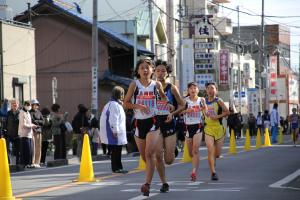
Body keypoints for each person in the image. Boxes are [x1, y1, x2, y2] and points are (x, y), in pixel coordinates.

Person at [123, 58, 171, 196]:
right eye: (142, 68)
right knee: (146, 157)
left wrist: (167, 105)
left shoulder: (156, 85)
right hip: (139, 123)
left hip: (153, 122)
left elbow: (163, 99)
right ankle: (164, 182)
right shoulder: (134, 84)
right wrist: (138, 106)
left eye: (147, 68)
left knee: (150, 154)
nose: (145, 70)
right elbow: (125, 104)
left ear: (152, 71)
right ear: (138, 71)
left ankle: (147, 185)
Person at [153, 60, 184, 191]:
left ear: (167, 73)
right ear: (154, 72)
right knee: (158, 155)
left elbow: (182, 105)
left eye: (163, 71)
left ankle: (174, 149)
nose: (160, 73)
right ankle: (164, 183)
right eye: (158, 70)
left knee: (169, 160)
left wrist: (173, 113)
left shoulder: (172, 87)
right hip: (155, 124)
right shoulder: (150, 86)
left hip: (169, 122)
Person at [180, 82, 206, 182]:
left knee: (195, 150)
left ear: (198, 90)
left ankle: (194, 172)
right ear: (188, 90)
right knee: (191, 153)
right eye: (191, 88)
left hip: (198, 126)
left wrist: (204, 109)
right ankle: (194, 161)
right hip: (187, 127)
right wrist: (187, 111)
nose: (193, 90)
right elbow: (180, 112)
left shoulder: (201, 100)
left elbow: (205, 111)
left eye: (195, 88)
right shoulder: (185, 101)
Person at [204, 82, 229, 181]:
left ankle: (213, 159)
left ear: (216, 90)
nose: (210, 90)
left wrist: (217, 117)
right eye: (208, 88)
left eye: (212, 88)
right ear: (206, 90)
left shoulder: (219, 101)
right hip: (208, 128)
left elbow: (227, 112)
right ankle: (213, 173)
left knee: (217, 154)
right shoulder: (203, 101)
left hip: (218, 128)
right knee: (210, 149)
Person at [100, 86, 128, 173]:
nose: (123, 96)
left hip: (113, 131)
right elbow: (113, 118)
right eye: (122, 94)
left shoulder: (112, 104)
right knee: (116, 150)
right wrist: (115, 130)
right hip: (113, 131)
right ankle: (116, 168)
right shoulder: (114, 105)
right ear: (119, 94)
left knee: (117, 150)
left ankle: (118, 167)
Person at [18, 101, 37, 168]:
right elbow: (23, 124)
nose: (29, 106)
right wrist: (31, 126)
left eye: (30, 105)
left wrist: (32, 125)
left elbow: (29, 122)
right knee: (26, 149)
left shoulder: (28, 112)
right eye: (28, 105)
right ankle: (25, 164)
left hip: (29, 133)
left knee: (31, 149)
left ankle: (30, 163)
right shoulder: (21, 112)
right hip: (24, 134)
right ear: (24, 105)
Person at [4, 99, 20, 165]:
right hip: (9, 134)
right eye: (13, 103)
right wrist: (4, 132)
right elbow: (5, 123)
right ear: (11, 105)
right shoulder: (8, 113)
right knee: (8, 150)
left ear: (18, 105)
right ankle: (9, 164)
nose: (14, 104)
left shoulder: (20, 113)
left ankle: (18, 164)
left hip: (18, 135)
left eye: (15, 103)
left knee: (18, 151)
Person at [30, 99, 44, 168]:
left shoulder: (39, 112)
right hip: (33, 131)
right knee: (33, 147)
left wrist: (37, 122)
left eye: (37, 105)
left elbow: (43, 121)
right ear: (32, 105)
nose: (36, 106)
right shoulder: (30, 112)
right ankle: (32, 162)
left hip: (39, 131)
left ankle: (37, 162)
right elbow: (31, 121)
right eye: (34, 105)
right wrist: (38, 122)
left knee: (39, 147)